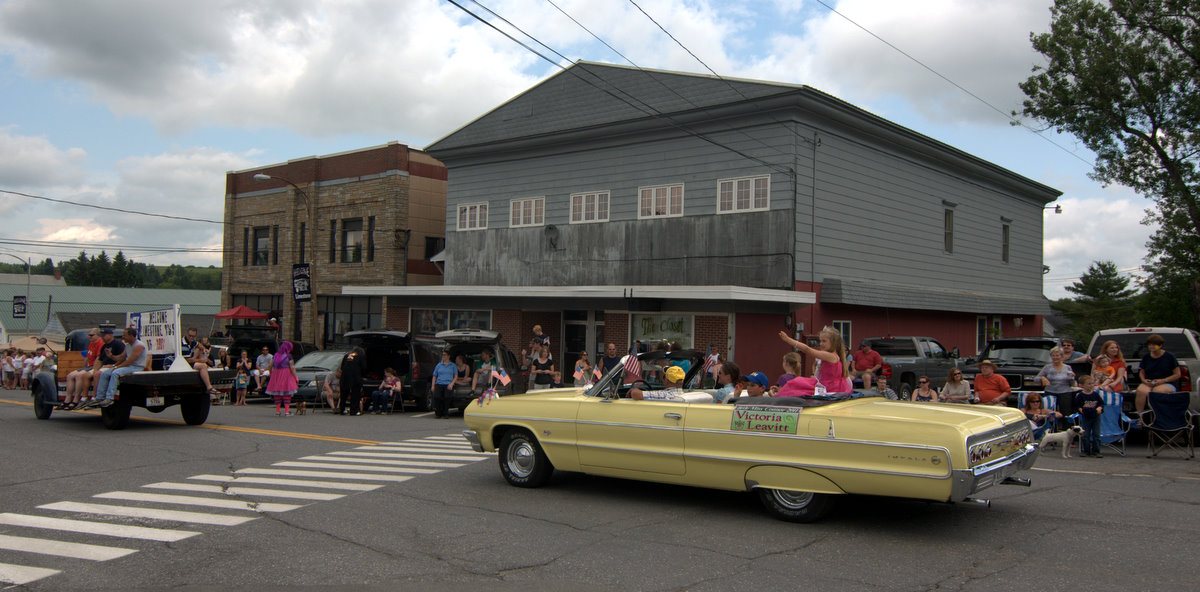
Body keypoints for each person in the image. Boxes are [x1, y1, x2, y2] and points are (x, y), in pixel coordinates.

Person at [775, 328, 852, 396]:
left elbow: (807, 350)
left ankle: (779, 395)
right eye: (820, 341)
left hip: (827, 387)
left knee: (796, 383)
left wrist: (788, 339)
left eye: (824, 341)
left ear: (834, 343)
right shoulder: (832, 356)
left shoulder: (830, 356)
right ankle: (780, 393)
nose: (821, 344)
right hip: (826, 385)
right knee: (797, 383)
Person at [90, 327, 147, 408]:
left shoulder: (139, 346)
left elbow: (129, 361)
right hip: (128, 366)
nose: (123, 337)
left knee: (115, 373)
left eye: (125, 335)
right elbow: (121, 358)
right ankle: (99, 397)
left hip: (136, 367)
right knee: (104, 374)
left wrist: (116, 367)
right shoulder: (127, 346)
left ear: (131, 336)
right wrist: (111, 356)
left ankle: (110, 398)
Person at [1134, 333, 1181, 416]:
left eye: (1154, 345)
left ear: (1160, 345)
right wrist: (1144, 380)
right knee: (1141, 391)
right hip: (1150, 382)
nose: (1151, 347)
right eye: (1149, 345)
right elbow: (1142, 372)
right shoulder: (1146, 357)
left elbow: (1177, 374)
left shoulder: (1169, 357)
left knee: (1157, 391)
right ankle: (1140, 417)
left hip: (1166, 383)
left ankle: (1158, 416)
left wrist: (1163, 380)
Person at [62, 328, 103, 410]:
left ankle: (76, 399)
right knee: (70, 375)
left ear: (98, 335)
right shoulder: (91, 343)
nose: (89, 337)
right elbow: (87, 357)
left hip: (95, 366)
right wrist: (83, 368)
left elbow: (98, 358)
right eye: (89, 335)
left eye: (91, 335)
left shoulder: (100, 343)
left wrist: (94, 370)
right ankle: (68, 399)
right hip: (88, 366)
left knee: (79, 375)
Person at [1037, 346, 1077, 415]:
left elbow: (1072, 383)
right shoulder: (1047, 367)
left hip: (1065, 393)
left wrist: (1072, 377)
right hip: (1050, 392)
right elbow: (1036, 379)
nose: (1055, 357)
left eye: (1057, 355)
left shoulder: (1067, 367)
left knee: (1066, 413)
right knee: (1049, 413)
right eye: (1053, 355)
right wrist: (1042, 378)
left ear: (1061, 356)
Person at [182, 327, 219, 399]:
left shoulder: (192, 342)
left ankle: (210, 387)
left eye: (193, 336)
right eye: (190, 336)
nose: (191, 338)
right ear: (186, 334)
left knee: (204, 365)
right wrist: (200, 360)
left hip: (191, 361)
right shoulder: (183, 345)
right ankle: (209, 387)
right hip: (183, 363)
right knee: (202, 366)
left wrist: (204, 349)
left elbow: (198, 344)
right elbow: (187, 360)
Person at [1074, 375, 1104, 457]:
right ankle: (1086, 450)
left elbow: (1101, 403)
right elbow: (1077, 406)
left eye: (1092, 383)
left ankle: (1096, 451)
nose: (1091, 385)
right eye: (1088, 384)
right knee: (1085, 434)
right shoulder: (1080, 396)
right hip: (1086, 416)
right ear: (1082, 385)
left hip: (1096, 416)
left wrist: (1100, 408)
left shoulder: (1095, 395)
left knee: (1096, 434)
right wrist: (1080, 409)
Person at [266, 341, 298, 416]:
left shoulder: (275, 355)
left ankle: (277, 411)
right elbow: (292, 367)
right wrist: (295, 377)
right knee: (287, 392)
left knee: (277, 393)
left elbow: (270, 365)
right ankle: (287, 411)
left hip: (276, 374)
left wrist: (270, 373)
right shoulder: (289, 356)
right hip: (286, 374)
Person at [338, 347, 366, 416]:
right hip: (355, 377)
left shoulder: (347, 356)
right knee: (355, 394)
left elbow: (342, 367)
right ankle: (353, 411)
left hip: (344, 377)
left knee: (343, 394)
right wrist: (363, 375)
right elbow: (363, 367)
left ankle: (341, 410)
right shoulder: (360, 356)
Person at [431, 350, 457, 419]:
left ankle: (446, 413)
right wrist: (433, 385)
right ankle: (438, 413)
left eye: (445, 355)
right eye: (442, 355)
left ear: (448, 356)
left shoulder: (452, 365)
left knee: (447, 398)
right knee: (437, 397)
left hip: (448, 383)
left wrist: (452, 384)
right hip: (439, 383)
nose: (443, 356)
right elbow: (434, 376)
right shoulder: (439, 365)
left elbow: (455, 376)